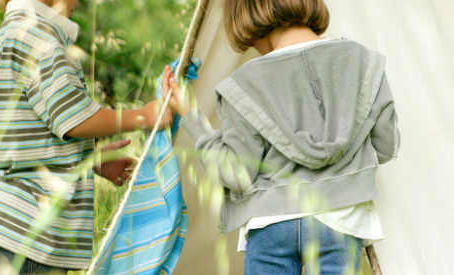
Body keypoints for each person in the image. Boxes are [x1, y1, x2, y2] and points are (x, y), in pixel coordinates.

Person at [162, 0, 399, 273]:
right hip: (340, 220)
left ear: (249, 13)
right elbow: (385, 146)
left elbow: (236, 173)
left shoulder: (243, 83)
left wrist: (191, 116)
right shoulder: (365, 63)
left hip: (270, 224)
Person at [0, 0, 175, 273]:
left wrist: (87, 160)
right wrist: (144, 116)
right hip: (35, 233)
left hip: (13, 227)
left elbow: (29, 134)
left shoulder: (11, 34)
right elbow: (73, 118)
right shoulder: (39, 36)